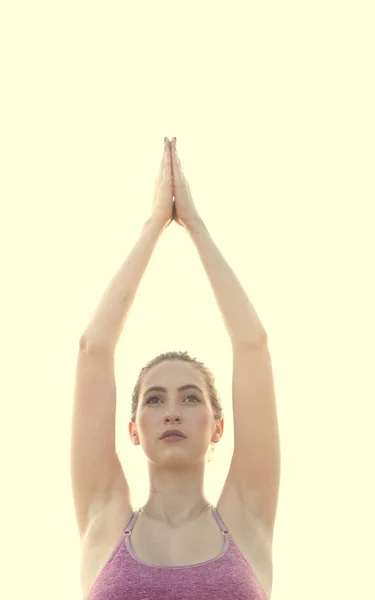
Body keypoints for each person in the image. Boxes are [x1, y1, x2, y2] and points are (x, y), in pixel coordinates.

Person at [71, 137, 280, 599]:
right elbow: (94, 351)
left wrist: (195, 225)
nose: (172, 411)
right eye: (154, 399)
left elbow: (253, 347)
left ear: (218, 426)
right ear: (132, 430)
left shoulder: (248, 517)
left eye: (190, 397)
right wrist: (152, 225)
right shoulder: (104, 521)